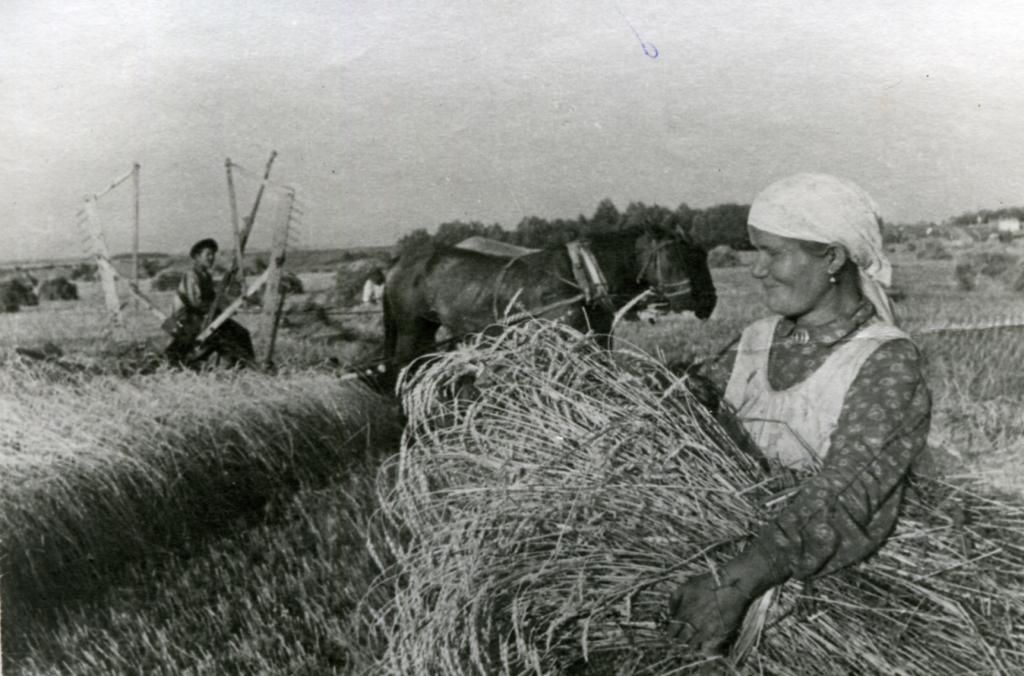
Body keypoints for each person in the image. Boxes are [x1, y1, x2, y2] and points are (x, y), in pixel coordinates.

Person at [667, 173, 931, 655]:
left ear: (831, 257)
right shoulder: (760, 337)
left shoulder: (885, 361)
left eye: (773, 253)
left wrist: (736, 582)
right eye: (756, 251)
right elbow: (690, 400)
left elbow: (848, 491)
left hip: (793, 575)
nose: (756, 270)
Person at [164, 238, 255, 368]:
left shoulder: (205, 276)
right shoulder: (191, 275)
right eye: (208, 254)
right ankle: (244, 365)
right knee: (221, 336)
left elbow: (213, 298)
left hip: (203, 317)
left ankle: (245, 364)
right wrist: (220, 308)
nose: (212, 258)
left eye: (213, 255)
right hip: (187, 319)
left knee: (241, 333)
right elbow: (196, 303)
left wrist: (227, 301)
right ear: (197, 257)